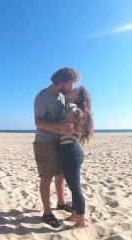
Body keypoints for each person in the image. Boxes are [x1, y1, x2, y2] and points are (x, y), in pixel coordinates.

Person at [33, 67, 81, 228]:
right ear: (60, 82)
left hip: (59, 142)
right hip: (44, 142)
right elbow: (38, 122)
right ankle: (47, 213)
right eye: (70, 84)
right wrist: (59, 127)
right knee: (46, 177)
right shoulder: (42, 96)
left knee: (60, 175)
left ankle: (61, 203)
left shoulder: (62, 96)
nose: (71, 87)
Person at [60, 86, 94, 228]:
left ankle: (81, 220)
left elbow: (66, 125)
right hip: (72, 151)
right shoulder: (82, 111)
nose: (71, 89)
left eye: (75, 89)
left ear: (78, 96)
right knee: (73, 186)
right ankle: (74, 215)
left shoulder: (71, 106)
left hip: (70, 152)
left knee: (75, 188)